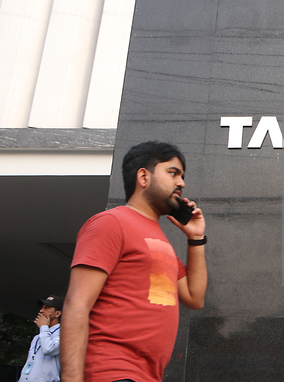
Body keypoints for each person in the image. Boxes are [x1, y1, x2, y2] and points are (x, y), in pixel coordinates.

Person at [60, 141, 208, 382]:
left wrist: (196, 237)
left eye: (181, 176)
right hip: (112, 372)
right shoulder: (111, 223)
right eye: (173, 173)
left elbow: (195, 297)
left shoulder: (160, 241)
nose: (181, 183)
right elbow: (77, 305)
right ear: (143, 177)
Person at [19, 295, 63, 382]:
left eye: (46, 308)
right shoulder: (38, 336)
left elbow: (49, 349)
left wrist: (43, 327)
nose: (41, 311)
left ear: (57, 313)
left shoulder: (63, 334)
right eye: (42, 308)